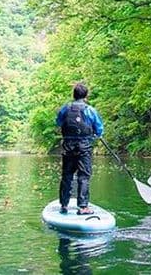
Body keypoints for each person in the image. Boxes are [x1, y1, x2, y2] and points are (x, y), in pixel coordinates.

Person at [56, 82, 104, 215]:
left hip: (68, 147)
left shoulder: (65, 109)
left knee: (67, 175)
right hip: (84, 147)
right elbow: (99, 129)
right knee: (84, 176)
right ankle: (83, 207)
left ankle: (64, 204)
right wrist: (95, 135)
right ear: (86, 95)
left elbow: (59, 122)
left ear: (74, 95)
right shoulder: (90, 110)